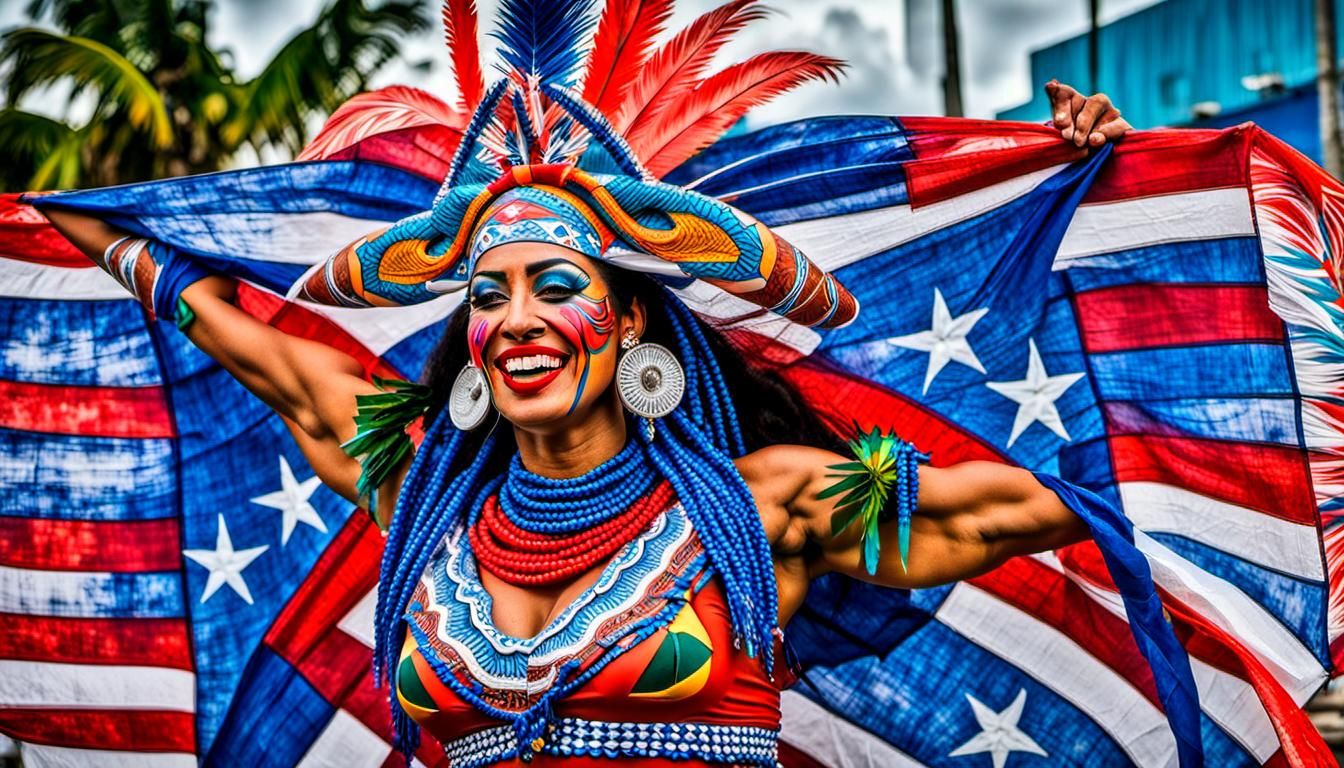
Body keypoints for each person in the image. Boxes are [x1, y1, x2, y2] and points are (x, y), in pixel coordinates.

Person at [35, 2, 1143, 764]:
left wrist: (1108, 210)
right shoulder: (425, 497)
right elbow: (279, 369)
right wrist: (111, 238)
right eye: (485, 293)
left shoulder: (769, 505)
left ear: (626, 320)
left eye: (552, 284)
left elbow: (1056, 501)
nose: (514, 319)